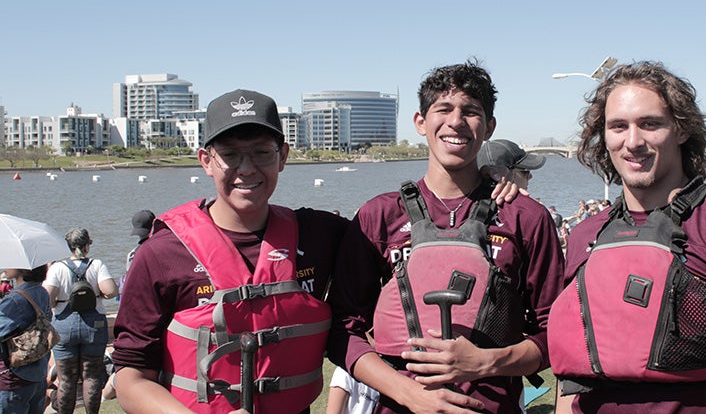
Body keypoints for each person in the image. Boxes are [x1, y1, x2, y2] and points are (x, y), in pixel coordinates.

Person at [551, 61, 706, 413]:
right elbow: (571, 376)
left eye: (650, 124)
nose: (633, 141)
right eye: (618, 127)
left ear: (682, 130)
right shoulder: (584, 236)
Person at [328, 60, 565, 413]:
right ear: (420, 122)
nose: (456, 121)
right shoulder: (378, 216)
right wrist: (409, 394)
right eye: (444, 109)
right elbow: (342, 330)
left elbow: (558, 335)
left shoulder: (526, 219)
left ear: (489, 127)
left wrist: (488, 363)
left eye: (471, 111)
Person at [111, 89, 350, 414]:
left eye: (261, 153)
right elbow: (130, 378)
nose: (247, 168)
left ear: (283, 156)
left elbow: (390, 236)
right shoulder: (161, 254)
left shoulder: (320, 234)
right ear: (206, 161)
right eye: (230, 155)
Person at [43, 228, 118, 414]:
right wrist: (96, 293)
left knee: (66, 378)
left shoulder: (57, 268)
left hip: (64, 325)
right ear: (87, 246)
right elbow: (111, 291)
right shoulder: (96, 264)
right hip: (93, 325)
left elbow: (47, 297)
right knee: (91, 376)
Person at [0, 265, 51, 414]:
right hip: (38, 372)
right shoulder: (42, 292)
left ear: (23, 268)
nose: (5, 267)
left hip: (13, 377)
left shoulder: (15, 299)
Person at [477, 138, 546, 191]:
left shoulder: (470, 203)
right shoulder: (525, 208)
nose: (530, 176)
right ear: (504, 174)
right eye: (525, 171)